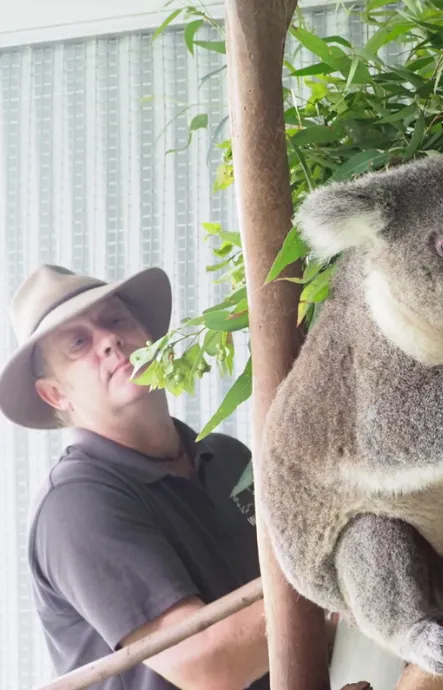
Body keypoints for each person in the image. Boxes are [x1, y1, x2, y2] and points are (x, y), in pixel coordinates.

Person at [0, 264, 332, 689]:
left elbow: (309, 580)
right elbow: (208, 665)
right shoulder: (75, 505)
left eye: (116, 320)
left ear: (152, 339)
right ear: (55, 394)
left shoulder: (231, 460)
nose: (109, 341)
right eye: (79, 343)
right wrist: (344, 581)